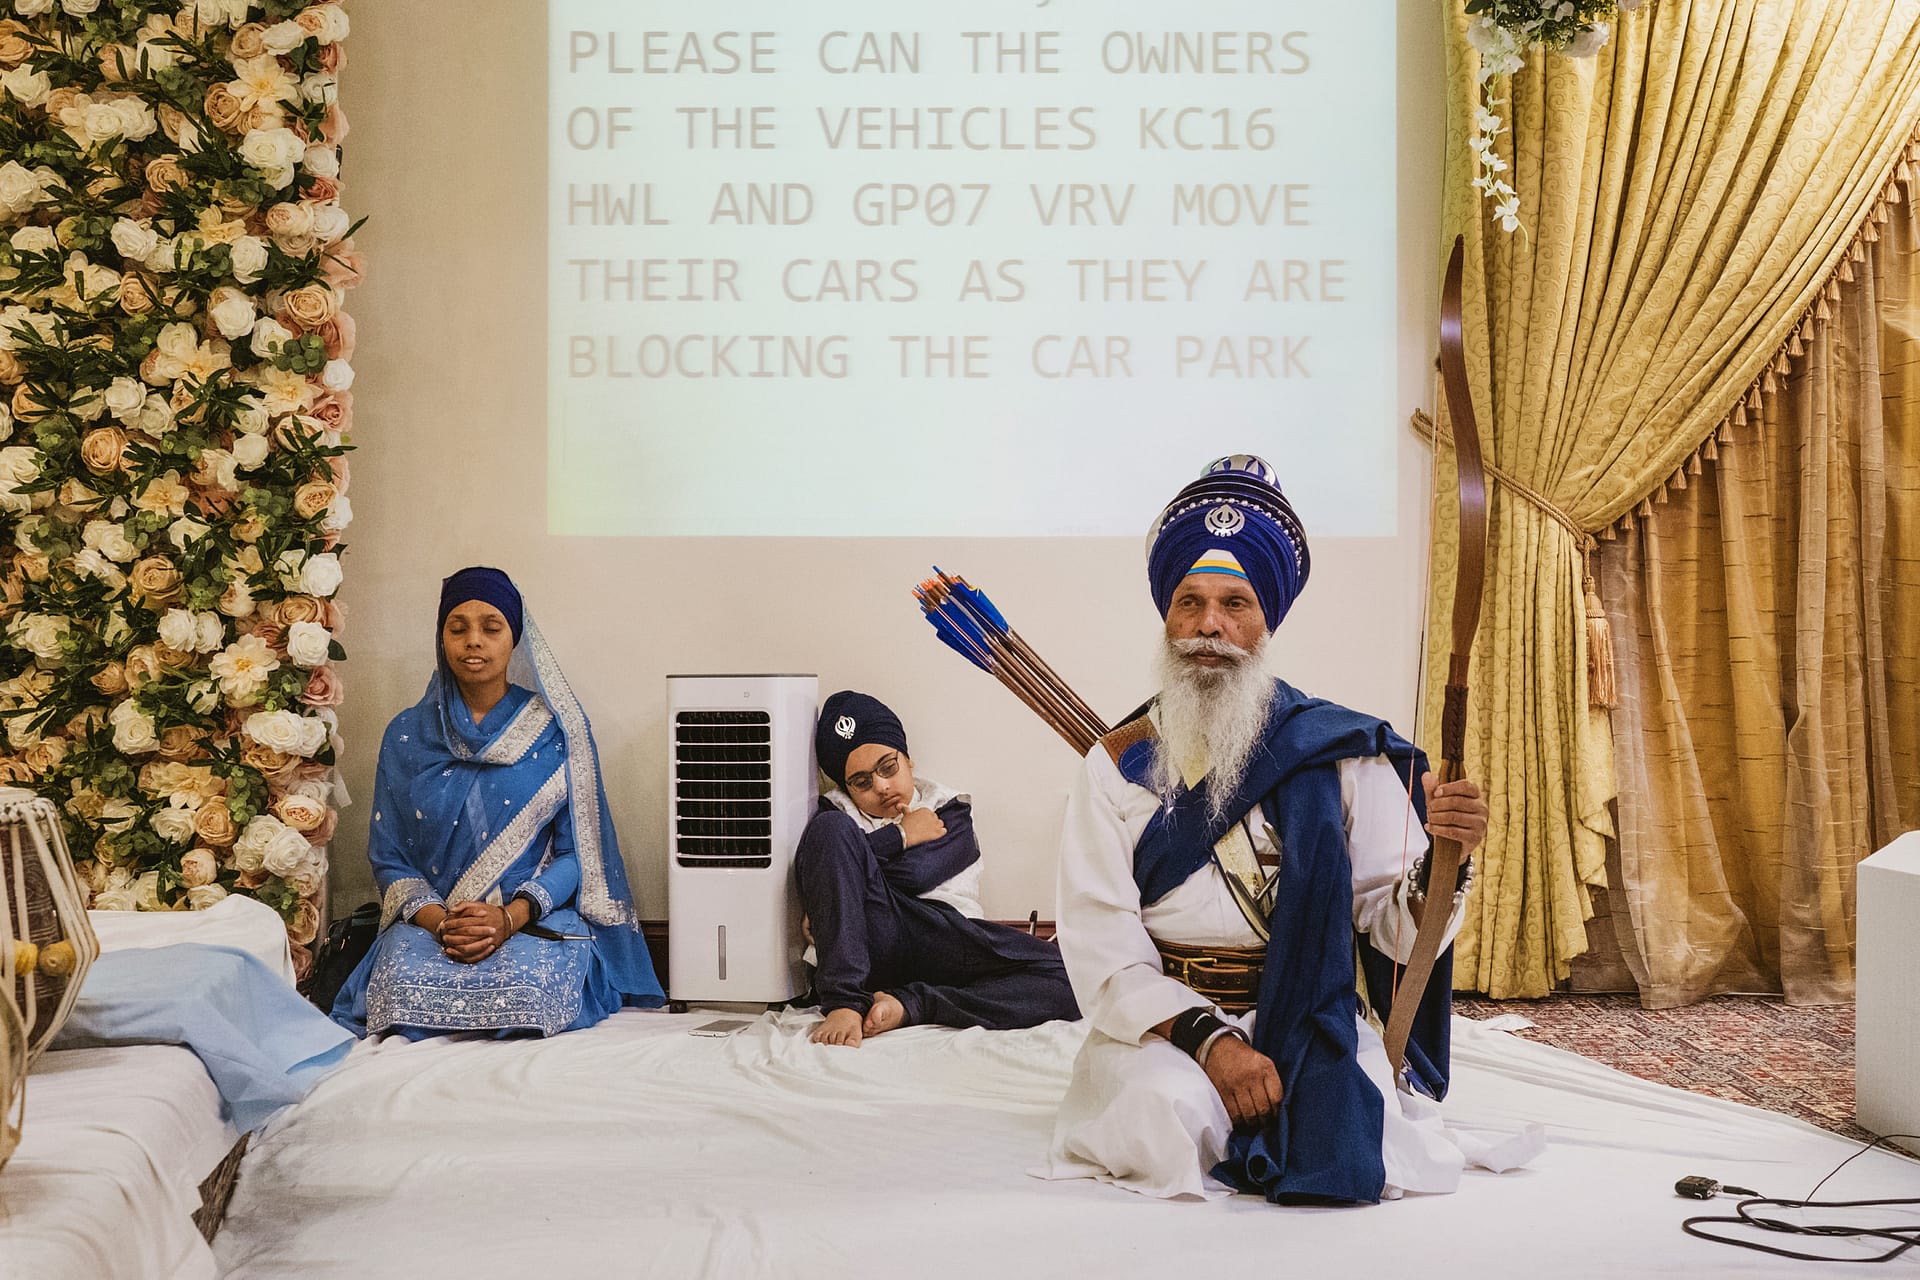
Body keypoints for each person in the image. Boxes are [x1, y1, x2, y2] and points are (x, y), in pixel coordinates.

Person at [1045, 455, 1532, 1205]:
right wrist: (1212, 1043)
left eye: (1235, 603)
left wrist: (1444, 863)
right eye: (1189, 602)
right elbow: (1100, 945)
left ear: (1266, 619)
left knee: (1362, 1130)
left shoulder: (1341, 752)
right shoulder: (1117, 764)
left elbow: (1392, 933)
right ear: (1167, 615)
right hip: (1169, 1024)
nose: (1209, 625)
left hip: (1309, 1011)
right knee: (1164, 1113)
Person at [331, 567, 664, 1038]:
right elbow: (390, 858)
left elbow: (578, 854)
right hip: (437, 925)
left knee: (529, 991)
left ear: (515, 640)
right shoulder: (407, 734)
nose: (474, 641)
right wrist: (444, 924)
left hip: (528, 920)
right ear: (442, 638)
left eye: (491, 628)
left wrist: (509, 918)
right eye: (458, 628)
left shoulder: (555, 732)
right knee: (400, 990)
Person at [798, 691, 1080, 1047]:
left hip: (945, 938)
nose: (881, 786)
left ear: (908, 760)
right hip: (874, 937)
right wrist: (901, 836)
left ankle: (912, 1005)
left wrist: (843, 884)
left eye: (888, 767)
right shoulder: (835, 817)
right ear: (847, 788)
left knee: (1073, 976)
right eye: (862, 782)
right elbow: (825, 861)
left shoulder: (949, 809)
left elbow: (916, 874)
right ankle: (844, 1002)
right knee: (830, 831)